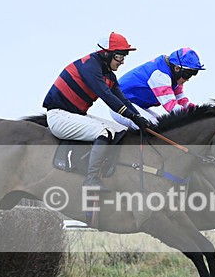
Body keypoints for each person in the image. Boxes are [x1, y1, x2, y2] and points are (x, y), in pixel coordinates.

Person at [43, 32, 151, 190]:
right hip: (59, 116)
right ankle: (91, 180)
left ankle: (108, 169)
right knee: (104, 132)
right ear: (106, 54)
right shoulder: (90, 67)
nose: (122, 62)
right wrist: (133, 116)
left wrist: (140, 119)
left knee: (122, 131)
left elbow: (123, 100)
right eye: (119, 56)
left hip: (75, 115)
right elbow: (106, 95)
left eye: (124, 57)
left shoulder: (109, 75)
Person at [113, 48, 205, 129]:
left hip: (135, 105)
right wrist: (196, 117)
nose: (188, 79)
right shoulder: (160, 75)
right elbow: (173, 108)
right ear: (177, 68)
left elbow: (181, 100)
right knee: (155, 126)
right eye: (187, 74)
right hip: (120, 105)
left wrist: (201, 111)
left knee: (162, 126)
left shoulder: (174, 76)